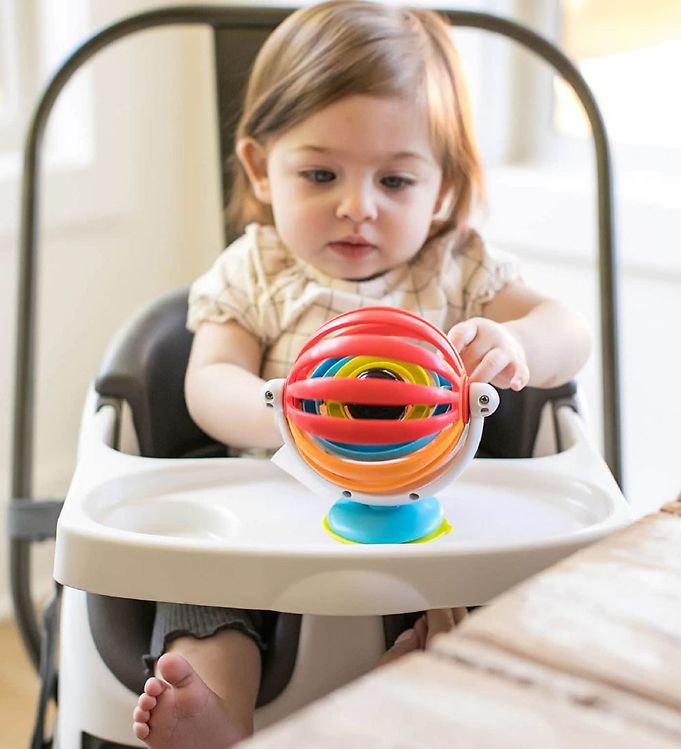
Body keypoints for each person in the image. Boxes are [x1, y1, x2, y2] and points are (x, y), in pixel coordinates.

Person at [133, 2, 591, 746]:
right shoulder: (256, 270)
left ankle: (420, 680)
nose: (357, 207)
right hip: (274, 516)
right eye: (320, 173)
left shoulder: (456, 266)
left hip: (432, 524)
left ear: (441, 186)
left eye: (396, 181)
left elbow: (568, 328)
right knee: (203, 591)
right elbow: (207, 381)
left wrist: (516, 340)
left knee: (481, 601)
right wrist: (275, 407)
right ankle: (213, 699)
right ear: (260, 167)